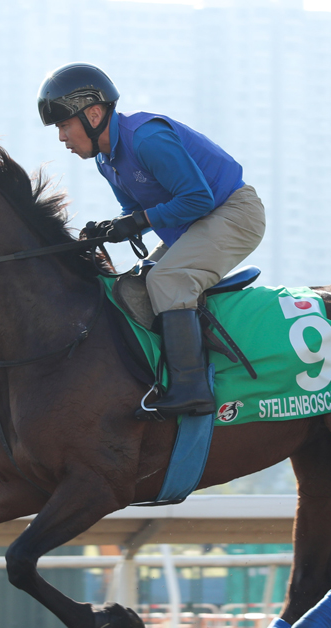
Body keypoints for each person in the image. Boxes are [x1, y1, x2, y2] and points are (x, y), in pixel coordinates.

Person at [38, 62, 266, 417]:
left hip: (234, 213)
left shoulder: (147, 138)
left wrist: (139, 221)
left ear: (94, 114)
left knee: (168, 279)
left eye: (64, 125)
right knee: (128, 289)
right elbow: (140, 213)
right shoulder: (106, 161)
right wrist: (114, 228)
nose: (62, 137)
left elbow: (198, 199)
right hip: (197, 223)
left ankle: (193, 390)